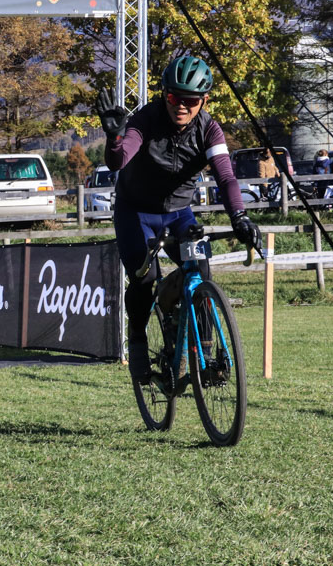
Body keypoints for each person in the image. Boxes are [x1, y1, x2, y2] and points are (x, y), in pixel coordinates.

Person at [95, 55, 262, 382]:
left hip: (178, 213)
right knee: (144, 277)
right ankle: (139, 339)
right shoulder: (146, 120)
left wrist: (240, 217)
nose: (181, 106)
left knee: (200, 271)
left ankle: (205, 352)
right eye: (174, 98)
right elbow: (119, 160)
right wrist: (115, 138)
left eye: (190, 100)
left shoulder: (210, 130)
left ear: (204, 101)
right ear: (164, 95)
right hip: (136, 213)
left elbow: (226, 178)